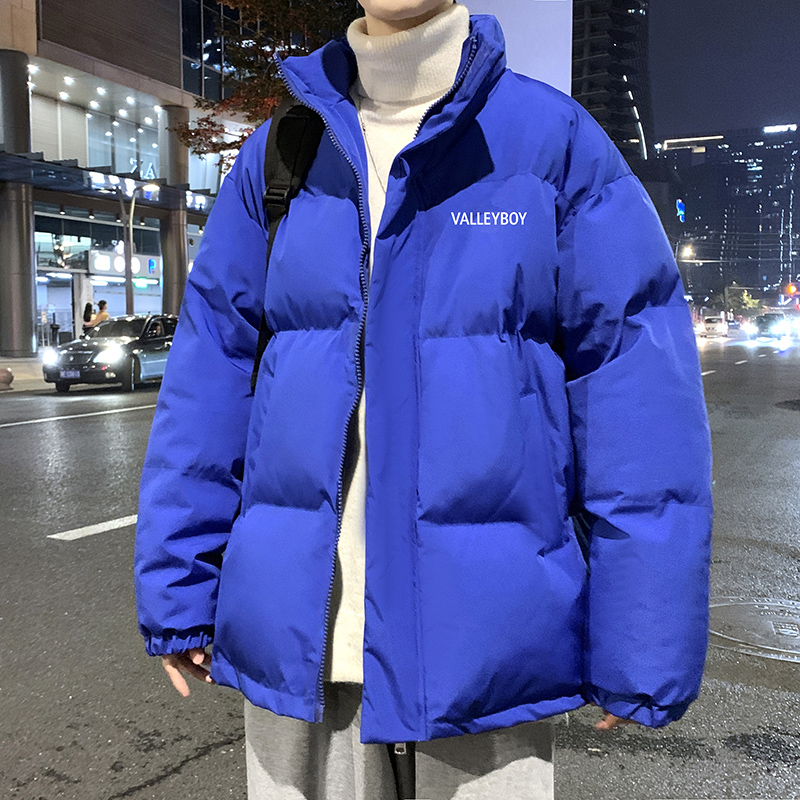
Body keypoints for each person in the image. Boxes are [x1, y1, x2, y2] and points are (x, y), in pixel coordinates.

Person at [134, 2, 713, 798]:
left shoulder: (554, 147)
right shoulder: (282, 155)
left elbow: (635, 397)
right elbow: (209, 378)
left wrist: (643, 640)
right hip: (305, 643)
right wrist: (178, 584)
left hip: (486, 653)